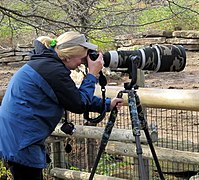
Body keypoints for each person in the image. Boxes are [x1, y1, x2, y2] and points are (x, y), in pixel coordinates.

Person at [0, 31, 124, 179]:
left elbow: (70, 95)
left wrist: (106, 104)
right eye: (81, 59)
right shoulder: (51, 69)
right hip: (22, 141)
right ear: (68, 56)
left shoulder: (47, 64)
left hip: (17, 137)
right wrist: (92, 74)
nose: (81, 63)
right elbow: (78, 104)